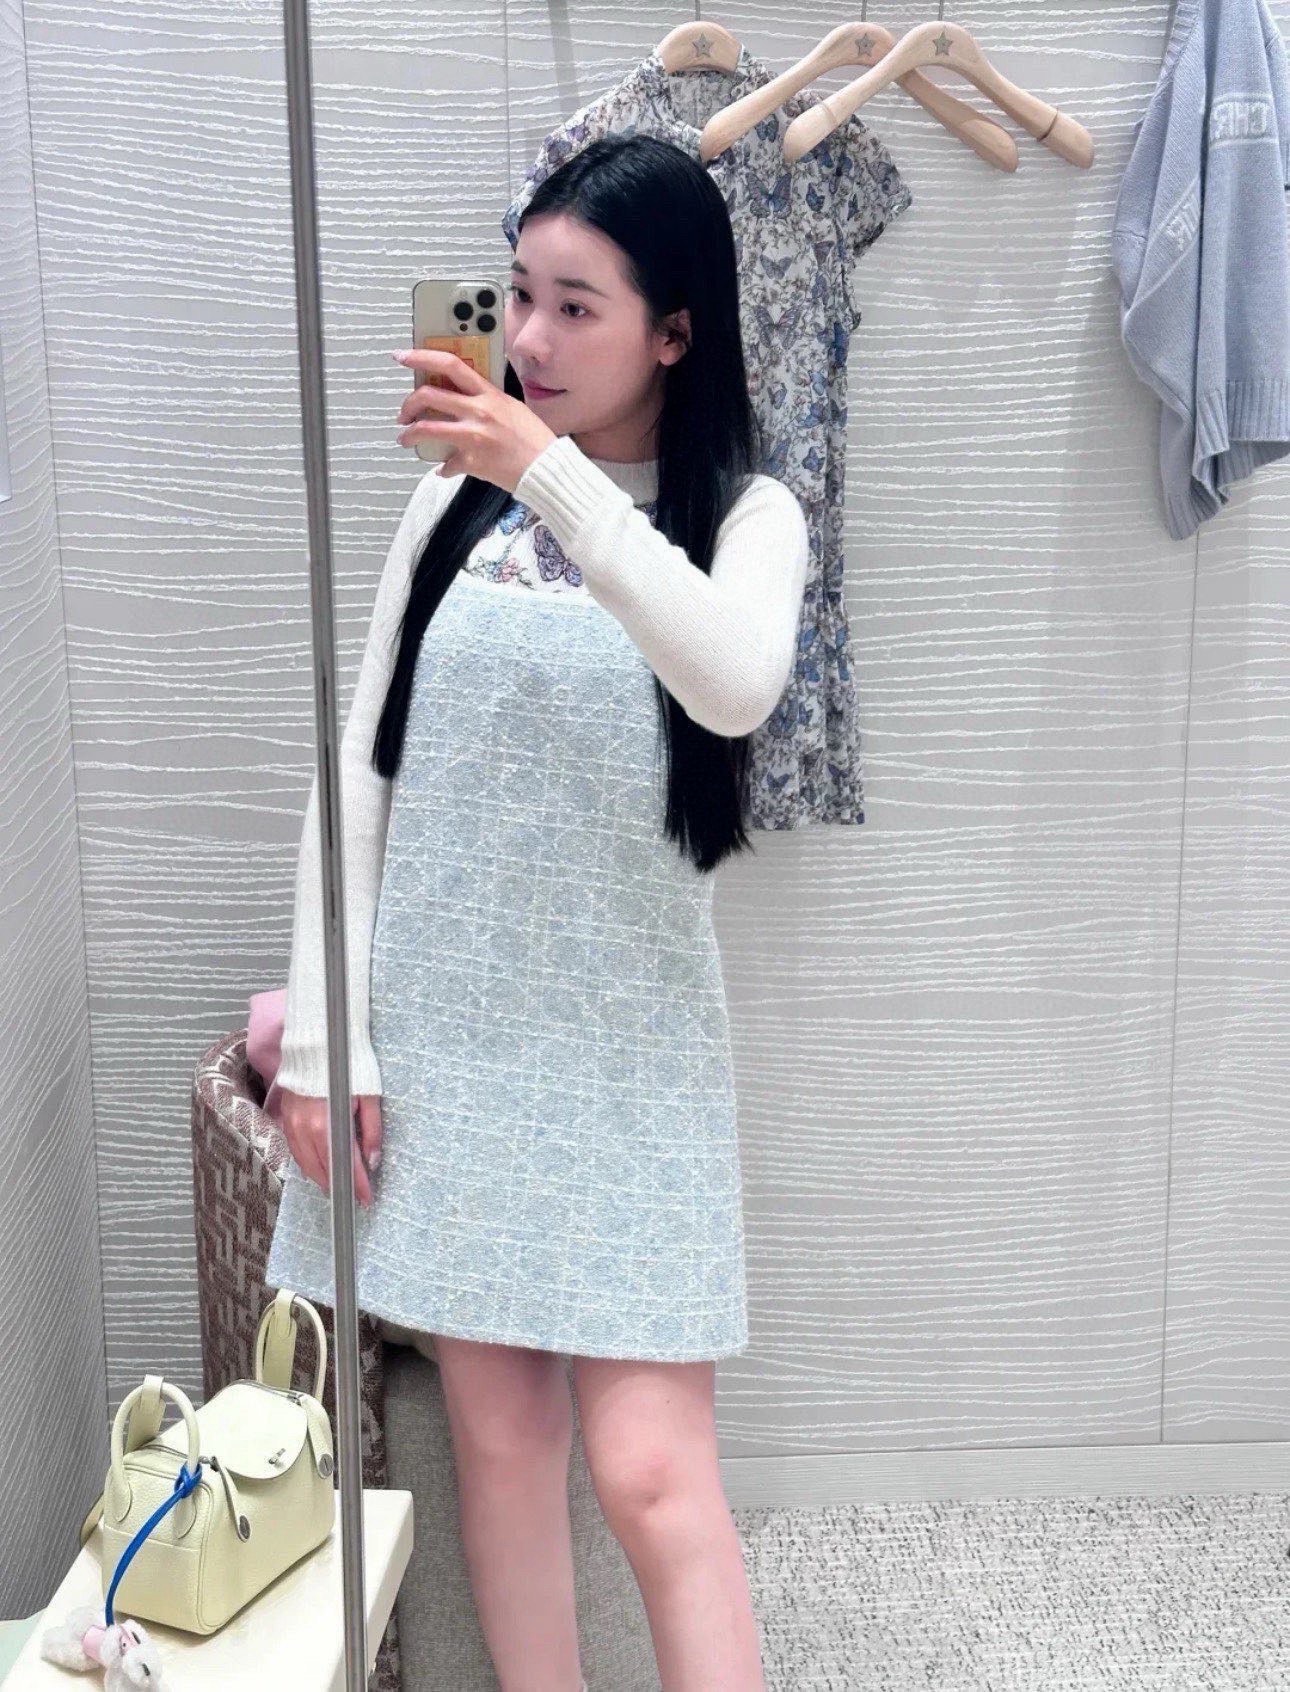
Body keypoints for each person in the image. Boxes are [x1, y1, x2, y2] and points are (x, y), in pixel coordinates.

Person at [267, 132, 809, 1691]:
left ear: (674, 330)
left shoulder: (746, 516)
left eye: (577, 306)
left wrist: (543, 475)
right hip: (448, 1040)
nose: (529, 338)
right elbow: (359, 766)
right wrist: (325, 1041)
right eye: (517, 295)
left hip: (631, 1055)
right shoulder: (449, 504)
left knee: (652, 1475)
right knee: (500, 1446)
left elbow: (732, 682)